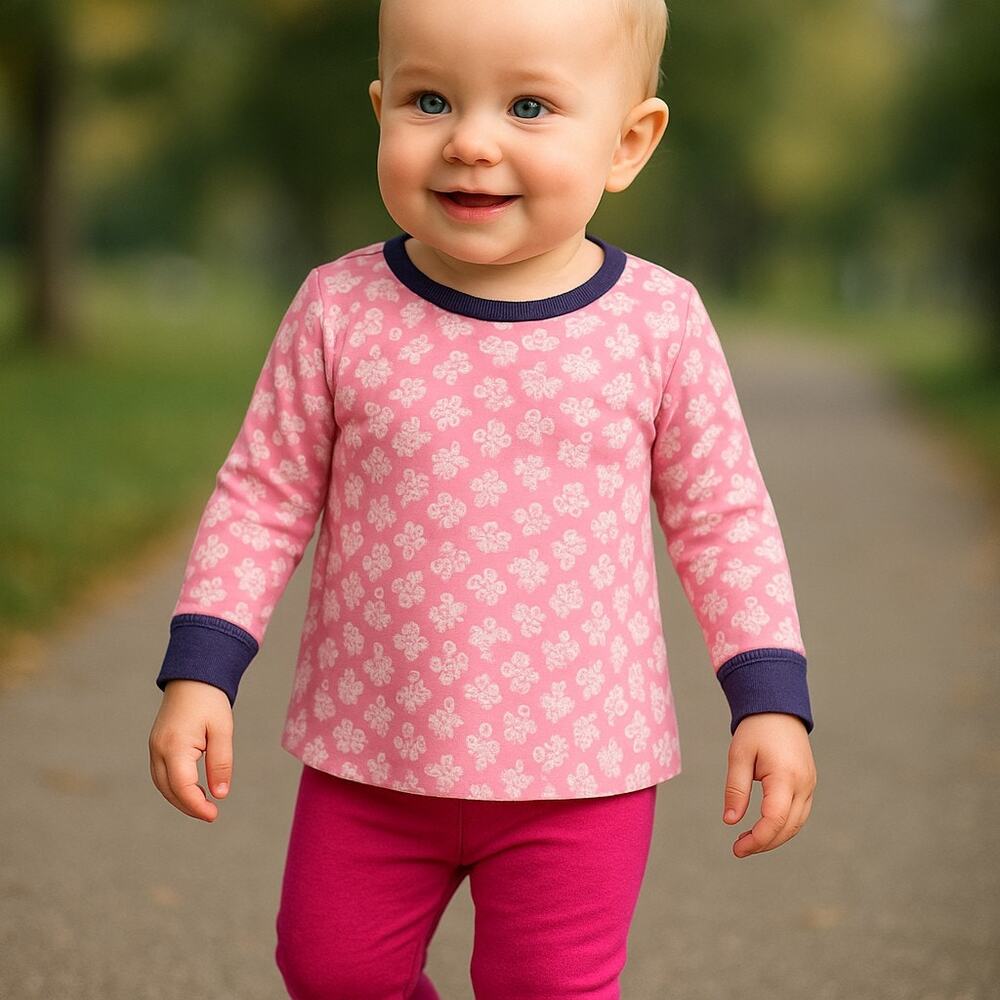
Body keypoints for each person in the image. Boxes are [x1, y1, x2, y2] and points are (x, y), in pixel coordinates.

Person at [148, 0, 818, 996]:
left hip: (579, 768)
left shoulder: (657, 325)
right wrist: (202, 664)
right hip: (370, 752)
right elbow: (264, 492)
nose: (470, 141)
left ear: (628, 141)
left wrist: (768, 694)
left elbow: (722, 515)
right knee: (331, 968)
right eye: (428, 99)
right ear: (380, 112)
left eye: (530, 106)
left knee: (547, 986)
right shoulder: (340, 311)